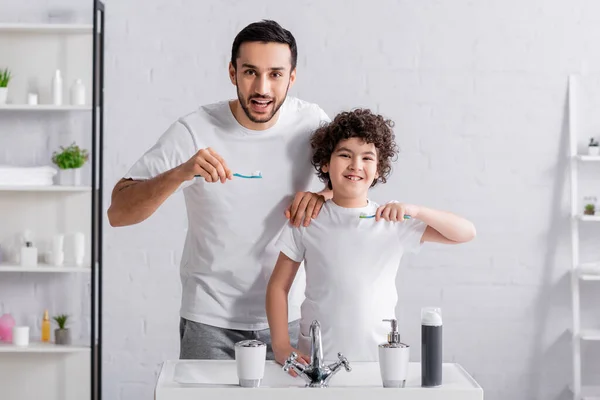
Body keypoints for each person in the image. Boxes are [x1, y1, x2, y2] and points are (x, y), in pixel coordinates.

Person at [107, 20, 332, 360]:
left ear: (292, 77)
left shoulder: (312, 123)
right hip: (209, 322)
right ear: (232, 72)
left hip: (288, 317)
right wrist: (182, 172)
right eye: (250, 72)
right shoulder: (194, 130)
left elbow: (356, 182)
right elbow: (118, 212)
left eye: (275, 74)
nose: (262, 88)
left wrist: (322, 196)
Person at [266, 108, 476, 365]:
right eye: (345, 155)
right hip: (316, 358)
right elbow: (278, 286)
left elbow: (465, 233)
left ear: (378, 170)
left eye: (367, 158)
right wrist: (280, 345)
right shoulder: (308, 219)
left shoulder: (391, 221)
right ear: (325, 163)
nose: (356, 165)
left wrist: (416, 211)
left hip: (378, 359)